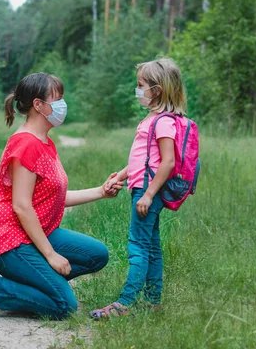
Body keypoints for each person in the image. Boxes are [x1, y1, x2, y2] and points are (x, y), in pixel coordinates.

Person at [0, 72, 123, 320]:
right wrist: (50, 255)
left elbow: (55, 197)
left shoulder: (45, 142)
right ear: (38, 104)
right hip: (10, 242)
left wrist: (101, 191)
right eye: (57, 99)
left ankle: (39, 284)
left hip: (37, 233)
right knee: (63, 306)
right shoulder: (26, 144)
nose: (62, 105)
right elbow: (22, 206)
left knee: (96, 255)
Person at [90, 58, 187, 319]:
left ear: (156, 90)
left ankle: (125, 303)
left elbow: (167, 162)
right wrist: (120, 175)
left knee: (137, 247)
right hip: (141, 186)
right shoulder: (152, 119)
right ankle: (153, 301)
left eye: (140, 85)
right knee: (151, 246)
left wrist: (148, 194)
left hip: (147, 190)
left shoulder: (164, 122)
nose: (137, 89)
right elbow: (144, 158)